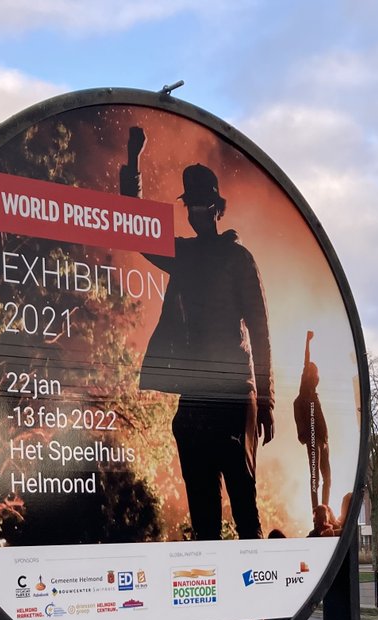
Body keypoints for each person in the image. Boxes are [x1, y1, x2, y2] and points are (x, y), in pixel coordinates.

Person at [120, 128, 274, 541]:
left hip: (233, 394)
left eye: (203, 206)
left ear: (217, 209)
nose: (196, 213)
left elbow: (259, 330)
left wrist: (267, 399)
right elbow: (133, 230)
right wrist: (133, 164)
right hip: (197, 397)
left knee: (245, 509)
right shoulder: (184, 255)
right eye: (191, 207)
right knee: (204, 518)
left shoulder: (239, 259)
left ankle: (254, 599)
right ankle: (218, 601)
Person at [293, 330, 331, 512]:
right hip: (314, 438)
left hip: (323, 438)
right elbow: (306, 360)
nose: (316, 377)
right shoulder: (305, 390)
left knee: (327, 478)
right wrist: (307, 341)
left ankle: (324, 508)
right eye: (314, 373)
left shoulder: (315, 394)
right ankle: (317, 510)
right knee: (315, 476)